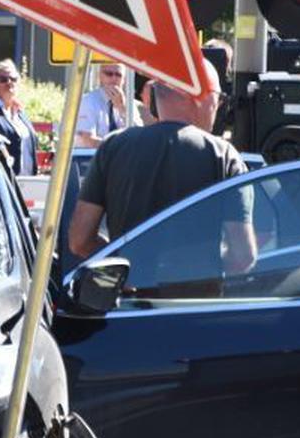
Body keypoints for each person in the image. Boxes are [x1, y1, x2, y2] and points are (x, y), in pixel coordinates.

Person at [68, 57, 253, 277]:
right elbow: (243, 257)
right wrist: (201, 270)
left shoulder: (112, 147)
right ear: (196, 96)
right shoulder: (223, 156)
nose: (220, 106)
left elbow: (79, 241)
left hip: (127, 302)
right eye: (219, 98)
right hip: (194, 303)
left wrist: (124, 265)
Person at [73, 61, 130, 147]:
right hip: (91, 157)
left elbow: (139, 135)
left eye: (118, 75)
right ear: (100, 76)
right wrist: (118, 148)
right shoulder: (88, 101)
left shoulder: (128, 103)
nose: (114, 79)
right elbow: (88, 140)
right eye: (109, 74)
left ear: (124, 80)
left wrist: (122, 108)